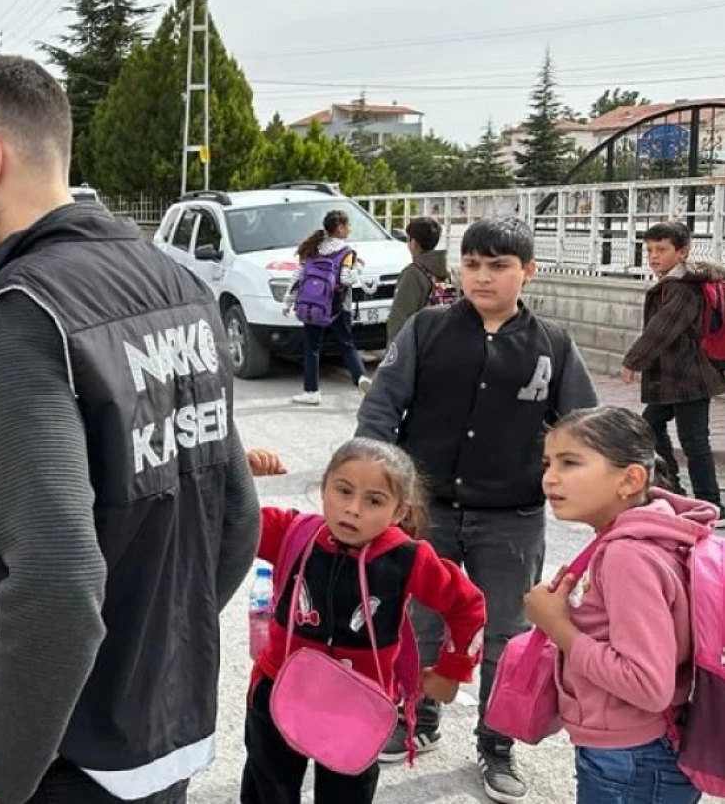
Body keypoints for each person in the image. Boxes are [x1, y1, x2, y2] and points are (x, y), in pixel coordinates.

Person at [0, 54, 260, 804]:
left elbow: (57, 579)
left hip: (71, 754)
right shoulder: (179, 281)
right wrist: (154, 647)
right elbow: (238, 518)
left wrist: (9, 774)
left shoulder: (27, 308)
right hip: (161, 733)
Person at [358, 216, 598, 804]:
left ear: (527, 272)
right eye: (472, 264)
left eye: (498, 266)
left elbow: (584, 429)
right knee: (421, 621)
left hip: (510, 517)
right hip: (427, 512)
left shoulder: (553, 346)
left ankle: (496, 743)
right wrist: (381, 489)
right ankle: (418, 712)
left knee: (505, 634)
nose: (482, 276)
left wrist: (579, 485)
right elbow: (381, 411)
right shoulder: (426, 330)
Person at [244, 438, 487, 804]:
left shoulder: (408, 557)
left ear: (398, 511)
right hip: (278, 689)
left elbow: (467, 604)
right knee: (268, 791)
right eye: (343, 491)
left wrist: (451, 670)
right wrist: (237, 474)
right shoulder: (291, 532)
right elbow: (224, 518)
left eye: (374, 500)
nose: (353, 509)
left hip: (357, 706)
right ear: (324, 487)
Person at [532, 406, 716, 804]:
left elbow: (647, 686)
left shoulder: (627, 555)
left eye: (570, 463)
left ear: (630, 479)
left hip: (632, 761)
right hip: (644, 751)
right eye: (548, 463)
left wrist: (557, 626)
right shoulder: (652, 532)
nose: (550, 476)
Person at [622, 220, 725, 514]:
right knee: (649, 427)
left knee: (694, 441)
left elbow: (662, 329)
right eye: (649, 249)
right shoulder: (673, 283)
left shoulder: (682, 288)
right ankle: (673, 487)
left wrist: (633, 361)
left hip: (689, 378)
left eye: (662, 249)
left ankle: (710, 503)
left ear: (682, 252)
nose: (654, 256)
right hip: (672, 379)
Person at [285, 210, 374, 406]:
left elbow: (298, 276)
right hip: (337, 306)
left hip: (313, 306)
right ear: (340, 227)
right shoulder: (346, 252)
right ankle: (360, 378)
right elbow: (345, 279)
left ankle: (311, 391)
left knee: (312, 348)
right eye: (348, 225)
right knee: (346, 344)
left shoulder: (313, 247)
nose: (349, 229)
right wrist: (358, 268)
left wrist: (288, 300)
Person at [387, 216, 451, 345]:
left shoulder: (413, 274)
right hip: (444, 341)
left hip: (421, 346)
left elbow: (400, 318)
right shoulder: (447, 270)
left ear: (414, 243)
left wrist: (394, 357)